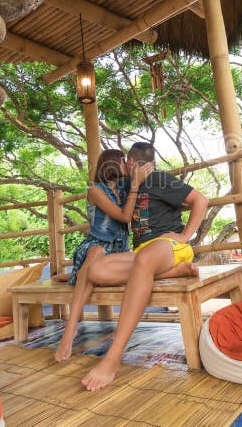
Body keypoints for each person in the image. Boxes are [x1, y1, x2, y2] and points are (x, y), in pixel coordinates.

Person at [80, 142, 208, 391]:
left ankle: (113, 357)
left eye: (124, 161)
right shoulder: (130, 186)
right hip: (143, 256)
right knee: (96, 269)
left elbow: (200, 200)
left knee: (143, 259)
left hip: (168, 247)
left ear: (131, 161)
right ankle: (172, 273)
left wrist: (185, 236)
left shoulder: (160, 179)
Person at [53, 149, 151, 362]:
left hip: (119, 250)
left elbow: (144, 181)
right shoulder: (96, 191)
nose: (127, 164)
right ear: (113, 164)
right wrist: (134, 185)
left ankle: (73, 275)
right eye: (124, 161)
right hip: (96, 245)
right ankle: (70, 330)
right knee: (96, 253)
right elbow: (125, 217)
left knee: (144, 257)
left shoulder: (125, 188)